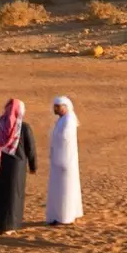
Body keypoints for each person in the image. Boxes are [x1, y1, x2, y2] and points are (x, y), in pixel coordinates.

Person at [0, 98, 37, 234]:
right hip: (16, 169)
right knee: (12, 197)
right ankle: (9, 226)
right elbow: (31, 149)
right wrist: (33, 166)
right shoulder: (24, 128)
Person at [46, 96, 82, 225]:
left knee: (66, 188)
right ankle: (58, 215)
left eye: (58, 106)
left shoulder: (69, 119)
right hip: (58, 159)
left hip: (65, 160)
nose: (55, 109)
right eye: (55, 106)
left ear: (65, 107)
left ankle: (65, 217)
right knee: (58, 189)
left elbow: (66, 138)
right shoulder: (62, 120)